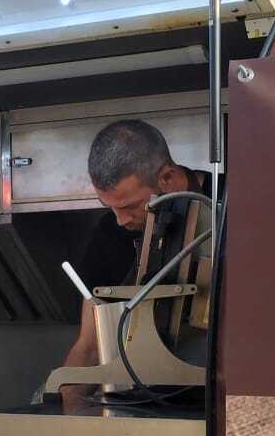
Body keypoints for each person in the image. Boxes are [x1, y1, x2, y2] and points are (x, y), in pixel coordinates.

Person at [57, 118, 209, 385]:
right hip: (145, 398)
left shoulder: (229, 204)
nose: (120, 220)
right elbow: (90, 346)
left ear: (167, 178)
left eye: (130, 207)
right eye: (110, 207)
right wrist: (73, 410)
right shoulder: (110, 235)